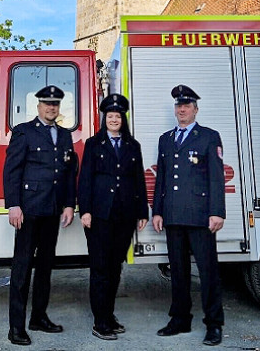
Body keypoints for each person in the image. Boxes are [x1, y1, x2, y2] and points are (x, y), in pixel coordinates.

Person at [151, 84, 226, 346]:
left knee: (208, 273)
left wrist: (217, 212)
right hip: (172, 216)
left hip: (199, 217)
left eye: (186, 106)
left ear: (195, 109)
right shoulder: (166, 139)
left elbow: (217, 179)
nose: (181, 109)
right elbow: (162, 178)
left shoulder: (208, 137)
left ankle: (214, 324)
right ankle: (180, 319)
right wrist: (157, 211)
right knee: (179, 272)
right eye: (178, 106)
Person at [3, 85, 77, 346]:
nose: (51, 108)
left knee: (45, 267)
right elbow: (12, 170)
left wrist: (69, 204)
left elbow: (69, 174)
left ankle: (39, 317)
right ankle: (16, 328)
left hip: (53, 210)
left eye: (55, 104)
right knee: (22, 269)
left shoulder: (65, 136)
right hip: (29, 210)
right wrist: (13, 205)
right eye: (47, 104)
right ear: (39, 106)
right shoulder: (24, 132)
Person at [78, 93, 149, 341]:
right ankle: (100, 321)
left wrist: (142, 211)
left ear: (123, 119)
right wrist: (84, 210)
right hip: (99, 215)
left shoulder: (133, 146)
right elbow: (85, 179)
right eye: (110, 116)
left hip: (125, 215)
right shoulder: (93, 144)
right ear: (104, 118)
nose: (114, 119)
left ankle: (109, 315)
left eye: (118, 116)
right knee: (100, 268)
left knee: (115, 267)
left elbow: (138, 180)